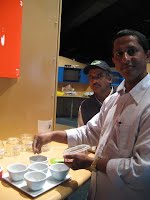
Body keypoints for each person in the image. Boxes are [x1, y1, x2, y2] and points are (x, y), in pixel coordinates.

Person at [33, 29, 150, 200]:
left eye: (131, 51)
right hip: (98, 192)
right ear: (114, 61)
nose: (125, 58)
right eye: (119, 54)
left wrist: (92, 163)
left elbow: (143, 170)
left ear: (147, 56)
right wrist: (52, 135)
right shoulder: (115, 100)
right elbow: (89, 132)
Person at [78, 60, 114, 127]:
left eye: (99, 76)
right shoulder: (85, 106)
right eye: (91, 77)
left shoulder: (121, 100)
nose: (94, 81)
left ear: (109, 79)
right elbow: (82, 134)